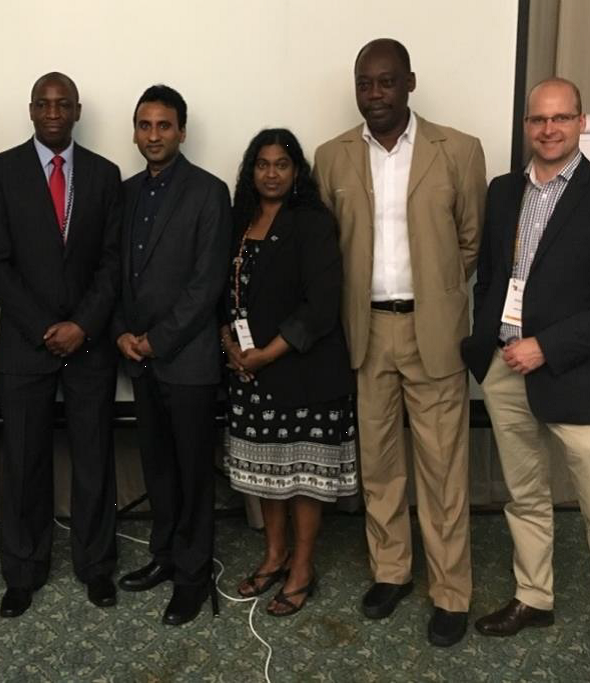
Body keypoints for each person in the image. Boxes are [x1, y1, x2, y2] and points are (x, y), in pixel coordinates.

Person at [462, 77, 590, 683]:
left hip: (578, 375)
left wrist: (547, 346)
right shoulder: (500, 192)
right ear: (527, 125)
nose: (549, 130)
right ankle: (533, 596)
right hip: (504, 369)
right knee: (524, 496)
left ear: (582, 122)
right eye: (539, 120)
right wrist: (491, 343)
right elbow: (492, 276)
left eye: (561, 118)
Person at [313, 38, 487, 646]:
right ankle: (391, 571)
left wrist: (436, 295)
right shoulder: (330, 157)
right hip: (365, 331)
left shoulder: (458, 150)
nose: (375, 94)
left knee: (443, 470)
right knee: (380, 466)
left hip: (432, 330)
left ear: (410, 82)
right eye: (365, 83)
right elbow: (326, 251)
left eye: (386, 82)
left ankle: (450, 591)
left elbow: (471, 243)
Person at [0, 72, 122, 618]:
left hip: (89, 344)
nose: (54, 111)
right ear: (31, 110)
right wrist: (45, 327)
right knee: (24, 462)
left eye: (64, 104)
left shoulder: (106, 175)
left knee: (93, 460)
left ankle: (96, 567)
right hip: (24, 344)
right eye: (45, 103)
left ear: (78, 110)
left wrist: (82, 325)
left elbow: (112, 263)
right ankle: (22, 570)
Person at [222, 128, 357, 617]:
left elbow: (321, 306)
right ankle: (274, 556)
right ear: (250, 170)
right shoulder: (241, 220)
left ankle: (302, 569)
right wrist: (230, 344)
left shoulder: (311, 221)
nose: (271, 173)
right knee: (267, 474)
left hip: (304, 373)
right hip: (252, 374)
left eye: (282, 164)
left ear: (296, 170)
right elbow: (226, 294)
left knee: (300, 479)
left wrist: (266, 353)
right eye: (262, 164)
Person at [112, 85, 231, 625]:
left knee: (190, 473)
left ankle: (193, 575)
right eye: (144, 125)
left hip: (186, 362)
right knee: (156, 467)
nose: (153, 135)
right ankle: (164, 556)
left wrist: (157, 340)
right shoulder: (127, 191)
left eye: (163, 126)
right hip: (138, 358)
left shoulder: (209, 192)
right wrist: (120, 333)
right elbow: (113, 273)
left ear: (181, 131)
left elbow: (206, 285)